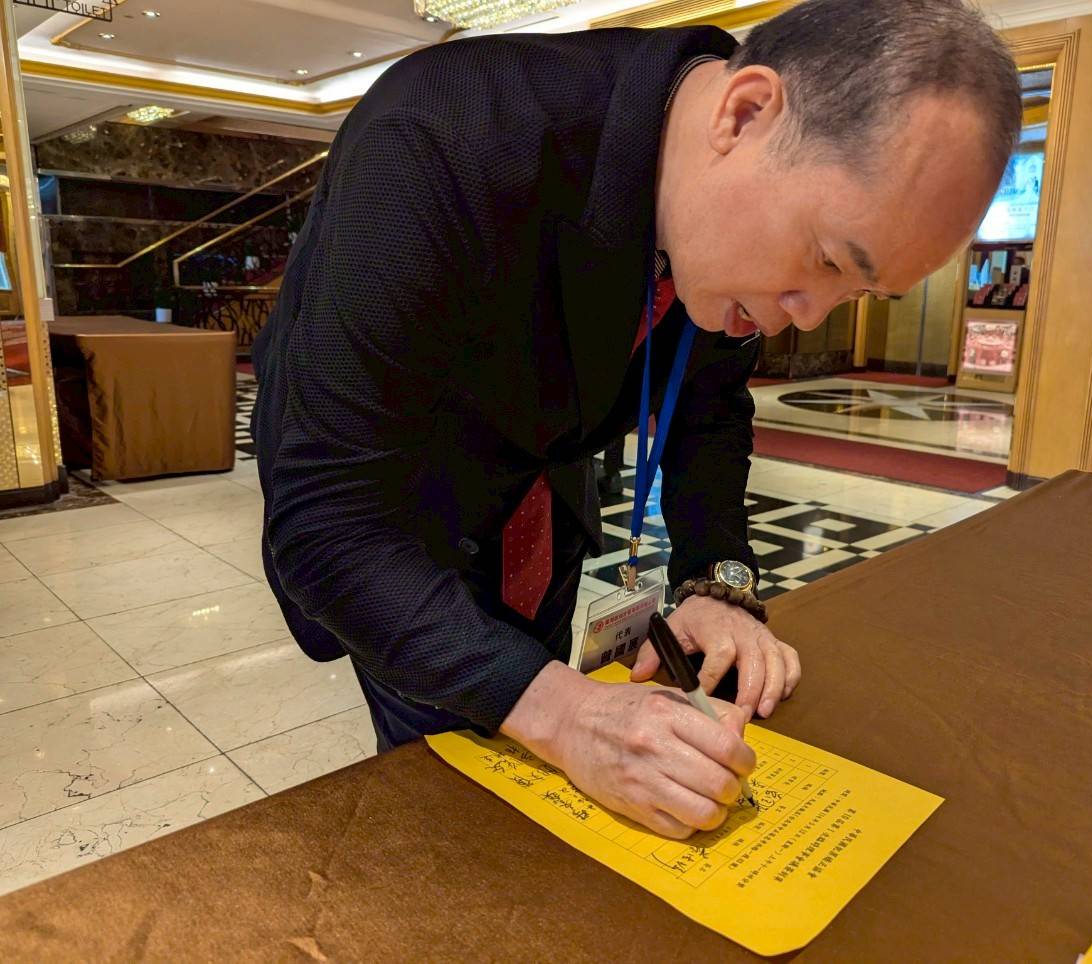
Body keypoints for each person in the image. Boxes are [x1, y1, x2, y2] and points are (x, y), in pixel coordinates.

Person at [251, 0, 1020, 839]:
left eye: (859, 292)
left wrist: (715, 581)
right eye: (828, 258)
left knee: (556, 766)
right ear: (745, 114)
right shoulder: (439, 138)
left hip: (542, 505)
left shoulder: (732, 221)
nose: (806, 315)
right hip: (401, 531)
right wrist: (565, 714)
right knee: (460, 809)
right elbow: (330, 519)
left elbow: (709, 405)